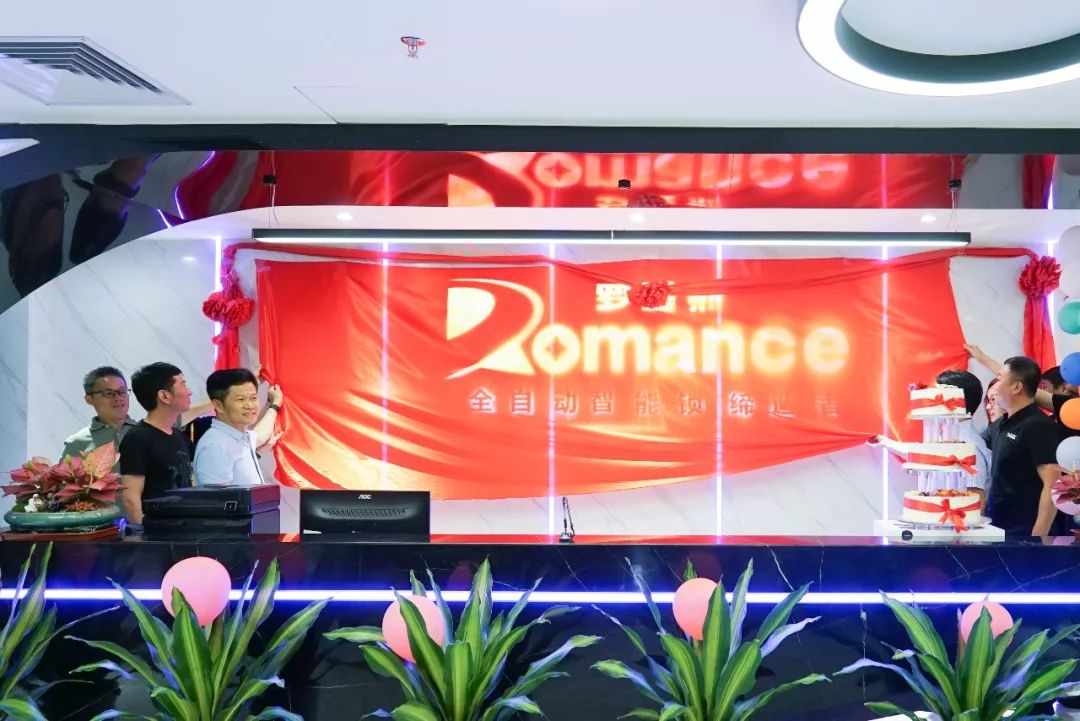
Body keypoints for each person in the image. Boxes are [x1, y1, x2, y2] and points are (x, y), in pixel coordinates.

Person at [982, 356, 1062, 536]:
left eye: (999, 379)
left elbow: (1052, 483)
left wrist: (1039, 534)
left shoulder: (1038, 426)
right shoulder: (1001, 423)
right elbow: (974, 446)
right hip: (998, 528)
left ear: (1017, 387)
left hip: (1024, 533)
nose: (994, 388)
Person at [118, 362, 195, 531]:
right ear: (164, 396)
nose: (189, 391)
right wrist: (142, 533)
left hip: (184, 530)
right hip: (157, 535)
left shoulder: (179, 435)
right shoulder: (137, 439)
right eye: (183, 385)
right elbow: (130, 497)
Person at [193, 368, 283, 486]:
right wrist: (274, 404)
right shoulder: (215, 446)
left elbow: (260, 436)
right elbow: (216, 497)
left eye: (253, 398)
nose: (250, 405)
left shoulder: (238, 435)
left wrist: (274, 404)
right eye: (241, 399)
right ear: (218, 405)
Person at [935, 370, 991, 510]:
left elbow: (976, 502)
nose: (934, 400)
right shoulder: (949, 439)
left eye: (940, 395)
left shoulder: (968, 446)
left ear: (957, 402)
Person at [60, 367, 137, 468]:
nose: (118, 398)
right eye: (108, 393)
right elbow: (65, 477)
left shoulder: (150, 432)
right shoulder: (75, 444)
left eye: (122, 391)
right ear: (89, 399)